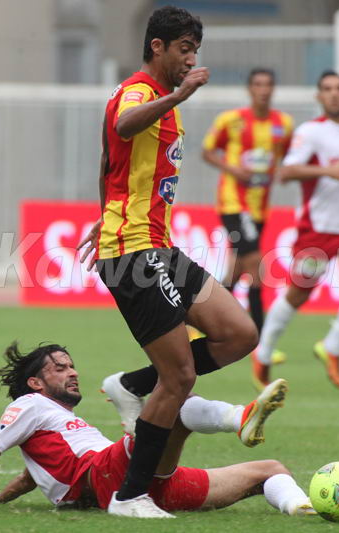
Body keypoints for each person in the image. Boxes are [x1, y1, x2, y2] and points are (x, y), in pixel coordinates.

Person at [76, 6, 258, 517]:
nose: (191, 59)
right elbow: (124, 124)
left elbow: (109, 160)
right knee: (179, 378)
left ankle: (131, 386)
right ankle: (130, 496)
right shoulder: (139, 92)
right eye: (184, 49)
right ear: (156, 46)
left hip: (159, 246)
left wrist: (103, 210)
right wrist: (178, 96)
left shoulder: (161, 101)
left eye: (195, 50)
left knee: (239, 333)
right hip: (132, 252)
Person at [0, 343, 315, 518]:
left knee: (269, 470)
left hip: (141, 483)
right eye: (59, 368)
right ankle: (238, 418)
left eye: (72, 365)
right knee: (172, 398)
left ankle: (306, 508)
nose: (72, 372)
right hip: (106, 475)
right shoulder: (29, 405)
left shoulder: (58, 424)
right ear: (35, 383)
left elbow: (33, 475)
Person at [253, 70, 339, 390]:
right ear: (319, 96)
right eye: (327, 89)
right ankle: (263, 353)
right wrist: (326, 170)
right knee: (299, 292)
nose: (334, 94)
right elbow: (286, 172)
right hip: (318, 229)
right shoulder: (310, 132)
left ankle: (332, 346)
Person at [201, 67, 294, 385]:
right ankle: (261, 345)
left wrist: (281, 172)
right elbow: (207, 151)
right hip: (233, 203)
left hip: (260, 207)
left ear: (273, 89)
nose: (263, 90)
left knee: (237, 269)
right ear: (249, 89)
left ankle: (199, 321)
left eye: (268, 84)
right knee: (255, 266)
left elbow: (286, 157)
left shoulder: (283, 124)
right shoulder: (232, 121)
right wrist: (233, 170)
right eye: (258, 84)